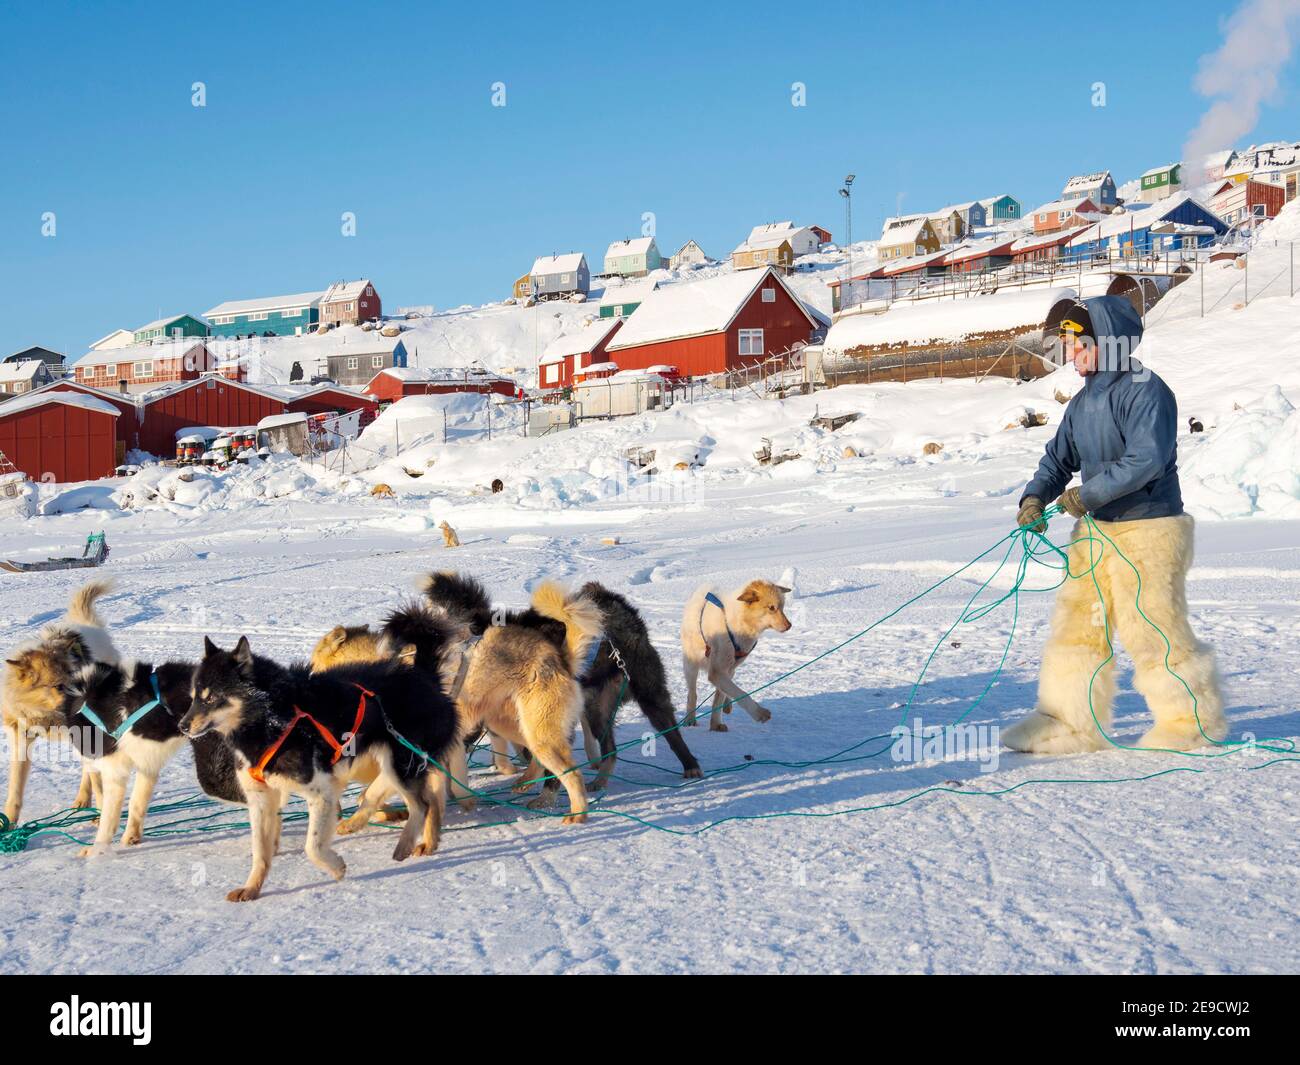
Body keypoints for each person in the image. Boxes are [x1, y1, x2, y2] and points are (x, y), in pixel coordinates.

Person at [1004, 295, 1227, 754]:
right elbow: (1057, 460)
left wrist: (1088, 494)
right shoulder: (1083, 402)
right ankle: (1068, 722)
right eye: (1067, 346)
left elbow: (1145, 460)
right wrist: (1034, 497)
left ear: (1106, 342)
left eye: (1077, 345)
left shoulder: (1147, 390)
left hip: (1149, 529)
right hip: (1097, 532)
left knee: (1151, 628)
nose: (1070, 356)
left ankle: (1190, 722)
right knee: (1077, 625)